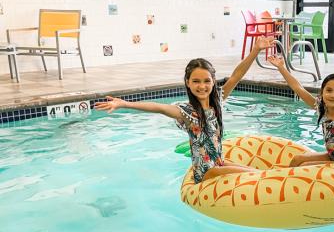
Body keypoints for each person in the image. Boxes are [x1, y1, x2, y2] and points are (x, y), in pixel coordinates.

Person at [95, 37, 275, 183]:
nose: (202, 86)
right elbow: (159, 107)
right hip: (207, 173)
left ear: (213, 81)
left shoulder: (217, 101)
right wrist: (125, 103)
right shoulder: (188, 113)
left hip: (219, 163)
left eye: (206, 81)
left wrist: (255, 51)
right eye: (196, 81)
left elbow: (237, 75)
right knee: (255, 177)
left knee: (257, 172)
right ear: (188, 83)